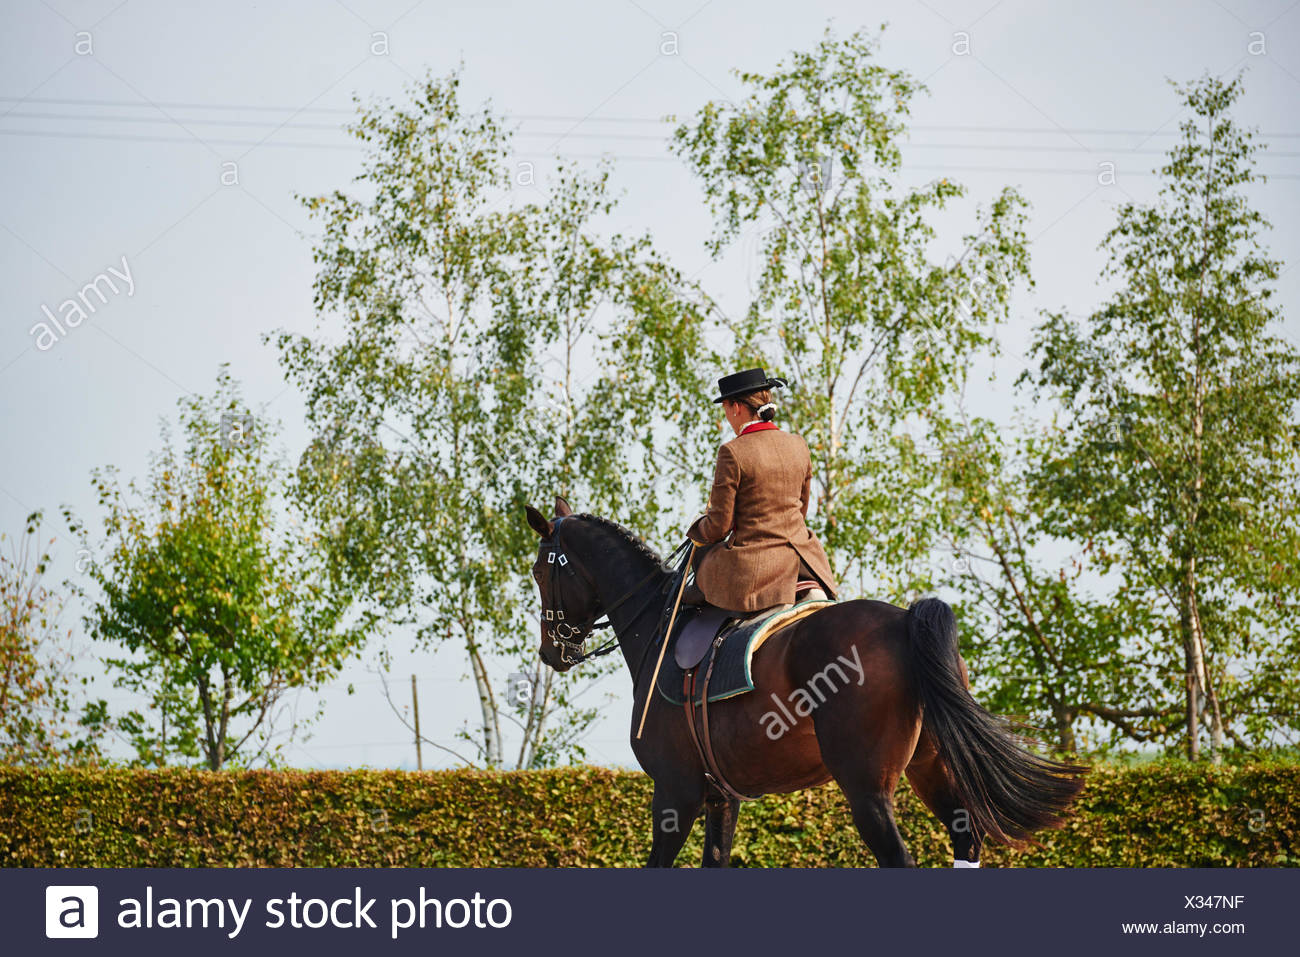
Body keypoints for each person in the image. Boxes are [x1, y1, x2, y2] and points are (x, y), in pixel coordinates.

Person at [682, 368, 838, 614]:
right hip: (806, 560)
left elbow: (719, 527)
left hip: (757, 567)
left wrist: (698, 528)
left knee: (704, 561)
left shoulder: (732, 451)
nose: (727, 417)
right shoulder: (799, 444)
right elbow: (802, 507)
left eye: (725, 409)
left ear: (736, 407)